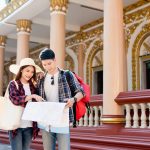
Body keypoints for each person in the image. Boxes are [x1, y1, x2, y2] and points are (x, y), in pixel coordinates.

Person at [37, 48, 85, 150]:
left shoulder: (67, 74)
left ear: (55, 60)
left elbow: (81, 92)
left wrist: (73, 100)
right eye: (44, 65)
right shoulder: (41, 78)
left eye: (49, 63)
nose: (47, 67)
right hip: (46, 120)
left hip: (62, 118)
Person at [8, 58, 44, 150]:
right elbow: (14, 99)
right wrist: (31, 96)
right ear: (21, 70)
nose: (30, 74)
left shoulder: (33, 86)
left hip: (29, 125)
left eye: (32, 72)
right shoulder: (13, 83)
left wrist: (42, 78)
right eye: (27, 71)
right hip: (16, 125)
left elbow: (41, 99)